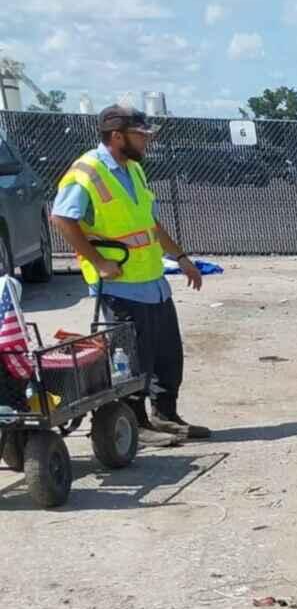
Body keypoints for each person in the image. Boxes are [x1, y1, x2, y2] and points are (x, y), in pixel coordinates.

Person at [49, 105, 207, 441]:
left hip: (152, 281)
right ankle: (135, 423)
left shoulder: (133, 170)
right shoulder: (86, 172)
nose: (147, 142)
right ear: (117, 136)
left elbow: (148, 222)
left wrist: (180, 256)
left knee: (167, 355)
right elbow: (61, 218)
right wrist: (98, 261)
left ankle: (165, 415)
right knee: (133, 359)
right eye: (141, 135)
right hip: (120, 287)